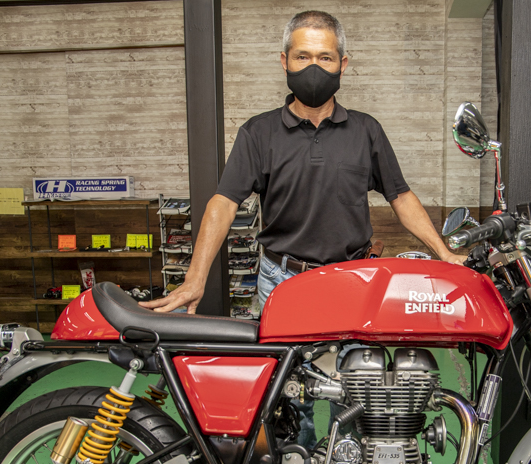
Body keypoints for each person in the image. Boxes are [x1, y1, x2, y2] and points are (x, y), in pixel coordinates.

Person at [140, 10, 462, 315]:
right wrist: (195, 277)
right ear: (285, 61)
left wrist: (444, 253)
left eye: (325, 58)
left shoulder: (367, 131)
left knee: (353, 359)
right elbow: (223, 203)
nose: (314, 68)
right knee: (283, 359)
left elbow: (400, 197)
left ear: (342, 64)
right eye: (303, 57)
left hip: (352, 278)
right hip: (281, 280)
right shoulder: (258, 133)